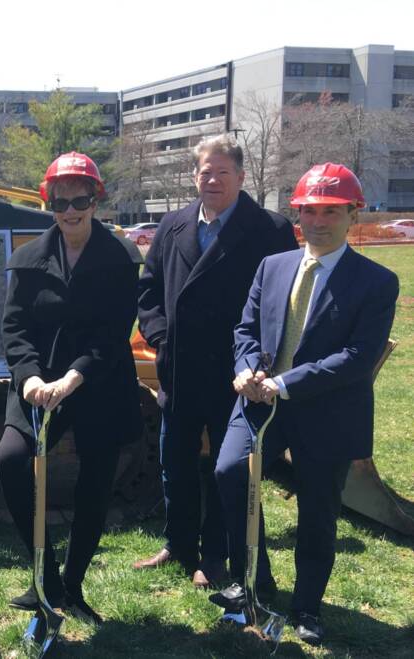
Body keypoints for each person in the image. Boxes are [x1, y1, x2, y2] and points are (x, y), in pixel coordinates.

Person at [210, 164, 398, 646]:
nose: (317, 220)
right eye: (308, 210)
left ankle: (307, 607)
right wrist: (245, 368)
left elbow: (356, 357)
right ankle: (253, 580)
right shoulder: (273, 266)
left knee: (318, 510)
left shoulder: (376, 282)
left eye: (330, 211)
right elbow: (246, 328)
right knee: (231, 473)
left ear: (352, 214)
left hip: (327, 411)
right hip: (259, 401)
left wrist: (285, 384)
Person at [134, 134, 297, 588]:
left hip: (236, 372)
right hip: (180, 370)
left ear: (242, 178)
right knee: (177, 463)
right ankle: (179, 543)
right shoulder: (172, 225)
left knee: (226, 469)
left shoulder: (270, 229)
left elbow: (280, 302)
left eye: (223, 173)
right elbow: (148, 290)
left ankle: (216, 554)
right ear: (194, 176)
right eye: (205, 172)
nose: (213, 180)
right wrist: (160, 335)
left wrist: (261, 360)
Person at [0, 152, 144, 624]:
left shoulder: (122, 258)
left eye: (80, 199)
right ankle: (46, 577)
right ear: (49, 203)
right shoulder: (27, 260)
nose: (70, 210)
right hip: (39, 385)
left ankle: (74, 585)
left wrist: (73, 377)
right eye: (60, 202)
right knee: (11, 460)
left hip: (98, 382)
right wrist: (32, 377)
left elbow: (113, 330)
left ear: (95, 199)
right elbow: (14, 328)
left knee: (95, 484)